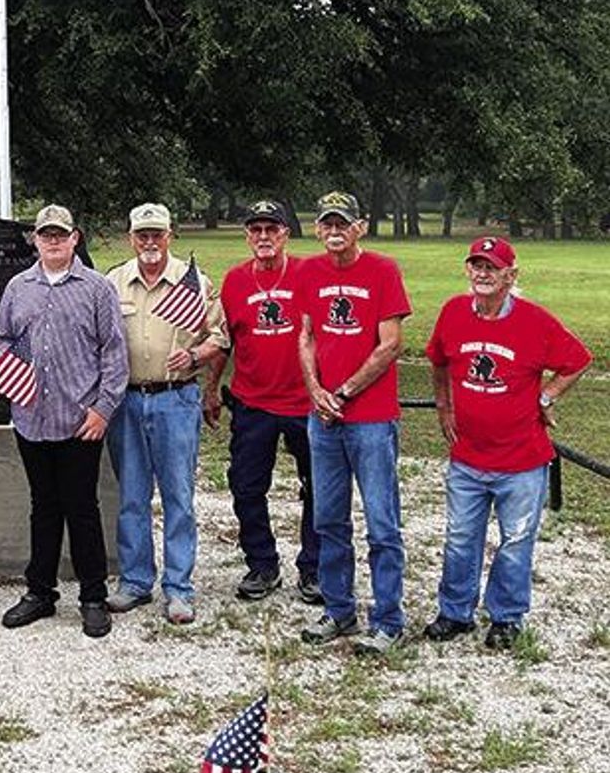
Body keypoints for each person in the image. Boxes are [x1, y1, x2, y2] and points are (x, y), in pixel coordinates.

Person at [423, 236, 591, 650]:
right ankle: (455, 611)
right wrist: (444, 408)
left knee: (515, 542)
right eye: (476, 265)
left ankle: (506, 616)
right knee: (461, 537)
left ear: (510, 276)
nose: (482, 274)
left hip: (522, 460)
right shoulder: (453, 312)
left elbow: (577, 360)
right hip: (468, 457)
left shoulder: (534, 321)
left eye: (492, 267)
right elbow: (439, 360)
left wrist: (545, 397)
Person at [0, 204, 129, 638]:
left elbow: (113, 352)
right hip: (31, 417)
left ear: (75, 238)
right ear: (35, 239)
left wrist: (103, 408)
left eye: (61, 234)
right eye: (45, 234)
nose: (53, 241)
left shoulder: (97, 288)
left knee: (82, 508)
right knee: (43, 506)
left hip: (79, 419)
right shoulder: (18, 287)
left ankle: (92, 596)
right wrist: (10, 376)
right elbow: (3, 339)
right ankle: (40, 592)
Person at [296, 191, 411, 655]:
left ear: (359, 226)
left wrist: (343, 392)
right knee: (328, 519)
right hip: (322, 418)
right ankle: (339, 609)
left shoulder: (383, 270)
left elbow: (391, 344)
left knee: (382, 522)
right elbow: (305, 336)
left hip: (370, 418)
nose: (334, 230)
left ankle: (387, 619)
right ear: (319, 228)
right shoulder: (310, 271)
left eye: (342, 222)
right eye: (326, 223)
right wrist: (316, 391)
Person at [105, 203, 226, 625]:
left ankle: (179, 588)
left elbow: (219, 337)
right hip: (127, 400)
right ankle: (136, 582)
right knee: (132, 497)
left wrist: (194, 353)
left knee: (178, 496)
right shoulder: (113, 282)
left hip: (177, 399)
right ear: (131, 238)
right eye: (143, 235)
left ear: (170, 235)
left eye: (157, 234)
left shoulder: (193, 282)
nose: (150, 242)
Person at [207, 199, 320, 605]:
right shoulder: (236, 281)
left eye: (272, 229)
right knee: (247, 486)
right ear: (247, 236)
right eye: (256, 230)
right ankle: (262, 563)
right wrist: (211, 388)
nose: (264, 237)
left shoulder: (310, 273)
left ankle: (314, 567)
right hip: (253, 402)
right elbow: (224, 341)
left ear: (286, 234)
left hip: (305, 402)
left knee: (318, 488)